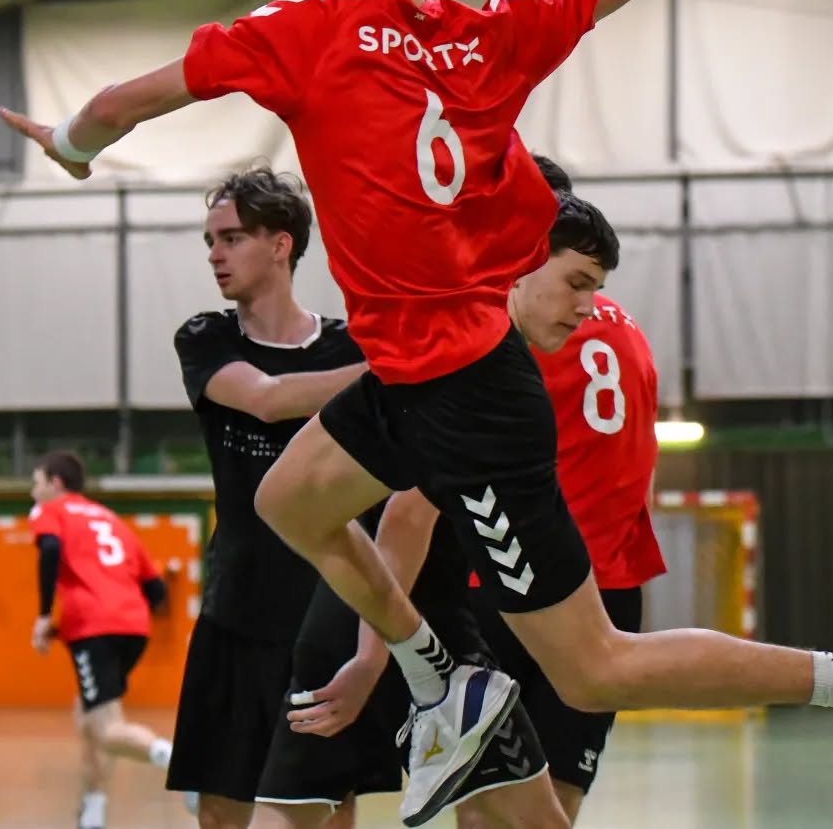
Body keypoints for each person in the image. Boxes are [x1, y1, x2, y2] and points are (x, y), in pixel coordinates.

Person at [0, 0, 833, 825]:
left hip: (470, 400)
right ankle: (440, 679)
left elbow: (122, 102)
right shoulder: (489, 35)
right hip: (407, 380)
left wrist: (72, 148)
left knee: (593, 669)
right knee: (290, 501)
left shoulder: (300, 32)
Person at [249, 190, 622, 829]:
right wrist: (376, 657)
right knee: (299, 808)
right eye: (575, 281)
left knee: (323, 807)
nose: (585, 306)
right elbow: (405, 519)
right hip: (387, 618)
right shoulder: (468, 368)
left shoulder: (480, 349)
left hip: (420, 616)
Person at [457, 156, 663, 825]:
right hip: (611, 580)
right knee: (557, 801)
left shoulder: (507, 325)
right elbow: (644, 459)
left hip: (511, 580)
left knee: (484, 800)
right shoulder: (627, 328)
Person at [163, 167, 366, 829]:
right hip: (237, 611)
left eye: (231, 238)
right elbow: (267, 399)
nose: (215, 254)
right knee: (222, 810)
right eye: (209, 240)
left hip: (326, 615)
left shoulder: (348, 341)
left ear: (280, 244)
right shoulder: (207, 337)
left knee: (329, 807)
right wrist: (394, 370)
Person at [28, 451, 174, 829]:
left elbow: (49, 550)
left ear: (56, 484)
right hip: (133, 627)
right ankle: (92, 813)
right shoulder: (111, 519)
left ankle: (175, 761)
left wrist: (45, 615)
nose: (34, 491)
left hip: (94, 628)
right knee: (89, 715)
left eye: (37, 482)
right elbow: (156, 590)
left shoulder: (51, 510)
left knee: (107, 727)